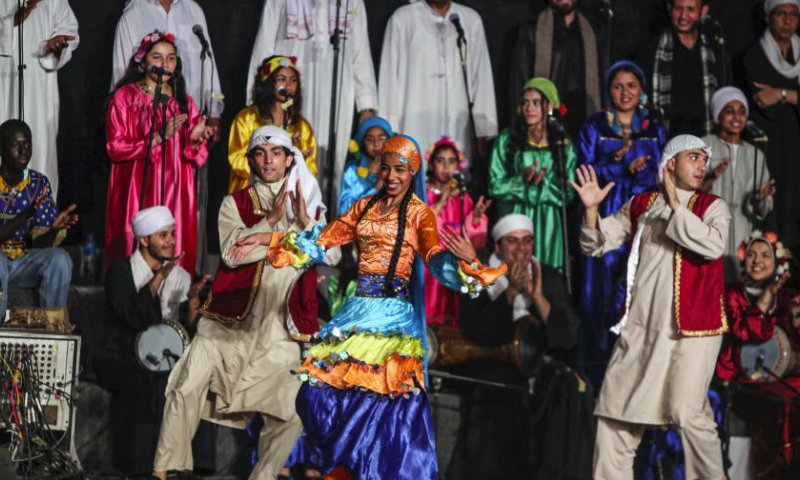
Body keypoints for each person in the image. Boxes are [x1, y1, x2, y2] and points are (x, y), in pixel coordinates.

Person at [262, 135, 506, 480]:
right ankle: (347, 465)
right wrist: (284, 238)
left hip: (392, 317)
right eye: (386, 167)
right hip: (357, 310)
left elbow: (435, 261)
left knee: (379, 405)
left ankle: (366, 471)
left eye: (400, 170)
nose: (391, 175)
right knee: (314, 394)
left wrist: (469, 263)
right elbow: (327, 237)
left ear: (412, 172)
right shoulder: (364, 206)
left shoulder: (419, 214)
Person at [152, 126, 325, 480]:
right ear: (251, 161)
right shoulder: (235, 203)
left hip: (278, 327)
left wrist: (298, 228)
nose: (268, 160)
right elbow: (232, 255)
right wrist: (273, 226)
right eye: (261, 154)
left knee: (290, 415)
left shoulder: (307, 211)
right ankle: (164, 471)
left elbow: (325, 252)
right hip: (227, 322)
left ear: (289, 159)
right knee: (185, 387)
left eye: (276, 153)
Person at [573, 134, 731, 480]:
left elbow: (711, 246)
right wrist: (590, 211)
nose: (702, 165)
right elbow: (597, 243)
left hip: (693, 330)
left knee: (686, 412)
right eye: (694, 158)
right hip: (643, 328)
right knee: (614, 417)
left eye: (704, 159)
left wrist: (676, 205)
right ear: (671, 163)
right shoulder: (641, 204)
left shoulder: (712, 207)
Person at [451, 213, 587, 480]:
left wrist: (537, 297)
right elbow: (479, 334)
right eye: (512, 241)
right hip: (495, 377)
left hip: (542, 376)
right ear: (498, 247)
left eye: (527, 241)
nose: (521, 248)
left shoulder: (547, 277)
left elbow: (568, 336)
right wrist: (511, 292)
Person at [110, 0, 225, 275]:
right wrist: (158, 137)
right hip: (139, 182)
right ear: (142, 61)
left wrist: (197, 138)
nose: (164, 64)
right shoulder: (126, 97)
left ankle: (176, 291)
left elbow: (194, 155)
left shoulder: (183, 103)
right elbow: (115, 146)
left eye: (171, 58)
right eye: (157, 57)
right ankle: (134, 287)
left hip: (176, 185)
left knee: (174, 235)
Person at [94, 206, 209, 478]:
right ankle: (141, 468)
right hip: (119, 354)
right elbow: (130, 316)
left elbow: (183, 331)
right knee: (148, 378)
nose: (171, 240)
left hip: (163, 355)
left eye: (172, 234)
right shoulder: (121, 272)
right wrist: (158, 278)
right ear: (144, 240)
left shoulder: (180, 277)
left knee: (194, 375)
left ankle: (188, 465)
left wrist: (193, 308)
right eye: (163, 235)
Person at [577, 60, 665, 382]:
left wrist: (643, 171)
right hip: (607, 209)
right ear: (608, 90)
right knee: (598, 290)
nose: (625, 92)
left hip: (643, 215)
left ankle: (636, 368)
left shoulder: (653, 127)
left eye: (632, 85)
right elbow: (583, 171)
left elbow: (664, 172)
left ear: (641, 90)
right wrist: (618, 167)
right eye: (618, 85)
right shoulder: (595, 126)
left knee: (638, 287)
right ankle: (596, 368)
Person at [247, 0, 379, 199]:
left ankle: (323, 221)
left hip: (337, 87)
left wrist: (366, 105)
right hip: (291, 88)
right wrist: (255, 98)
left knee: (331, 165)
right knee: (289, 154)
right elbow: (263, 46)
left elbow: (360, 52)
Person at [716, 231, 800, 477]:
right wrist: (765, 297)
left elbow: (787, 346)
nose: (757, 260)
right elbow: (750, 333)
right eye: (751, 255)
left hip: (773, 376)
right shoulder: (731, 294)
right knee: (785, 403)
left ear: (777, 261)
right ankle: (779, 470)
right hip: (740, 378)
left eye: (765, 255)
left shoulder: (785, 297)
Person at [379, 0, 498, 163]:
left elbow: (481, 77)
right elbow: (389, 75)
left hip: (458, 124)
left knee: (455, 179)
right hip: (414, 122)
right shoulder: (403, 18)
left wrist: (482, 128)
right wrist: (389, 127)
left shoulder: (470, 20)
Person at [489, 77, 576, 273]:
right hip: (516, 217)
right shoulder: (506, 140)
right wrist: (522, 179)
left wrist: (543, 184)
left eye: (536, 102)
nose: (529, 108)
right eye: (525, 102)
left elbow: (569, 192)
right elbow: (495, 185)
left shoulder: (563, 145)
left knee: (547, 278)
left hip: (549, 224)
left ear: (549, 106)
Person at [0, 0, 79, 200]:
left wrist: (54, 46)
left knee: (40, 144)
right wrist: (11, 22)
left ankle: (40, 219)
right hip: (3, 78)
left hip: (39, 83)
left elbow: (68, 31)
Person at [0, 119, 77, 318]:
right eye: (15, 145)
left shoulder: (38, 183)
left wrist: (53, 229)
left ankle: (52, 328)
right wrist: (24, 216)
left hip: (23, 261)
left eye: (27, 144)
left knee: (60, 259)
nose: (23, 150)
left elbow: (40, 243)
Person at [702, 87, 775, 280]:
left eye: (742, 111)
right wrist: (710, 178)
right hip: (710, 229)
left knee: (736, 288)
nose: (737, 117)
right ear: (717, 117)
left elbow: (762, 210)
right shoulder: (703, 146)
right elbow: (686, 195)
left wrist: (761, 198)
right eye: (729, 110)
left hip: (743, 230)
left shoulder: (755, 154)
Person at [743, 0, 800, 248]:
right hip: (772, 146)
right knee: (775, 209)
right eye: (781, 14)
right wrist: (793, 96)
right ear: (768, 16)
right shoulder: (755, 55)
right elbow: (764, 103)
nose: (787, 21)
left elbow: (775, 98)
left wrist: (781, 93)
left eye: (793, 14)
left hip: (797, 143)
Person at [509, 0, 605, 138]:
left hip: (584, 129)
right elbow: (519, 85)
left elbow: (603, 82)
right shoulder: (532, 30)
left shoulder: (593, 31)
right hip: (544, 131)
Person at [636, 0, 728, 137]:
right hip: (665, 140)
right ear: (669, 9)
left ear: (703, 11)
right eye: (678, 8)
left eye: (690, 9)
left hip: (706, 139)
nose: (683, 16)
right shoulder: (650, 52)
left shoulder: (716, 52)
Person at [229, 55, 318, 194]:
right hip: (251, 193)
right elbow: (236, 158)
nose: (288, 85)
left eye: (293, 80)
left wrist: (299, 159)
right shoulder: (247, 118)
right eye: (282, 79)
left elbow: (311, 168)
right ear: (269, 82)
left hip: (286, 195)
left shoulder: (302, 126)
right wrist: (269, 168)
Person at [424, 136, 490, 326]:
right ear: (432, 163)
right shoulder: (423, 193)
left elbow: (473, 240)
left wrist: (475, 218)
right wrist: (441, 203)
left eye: (451, 162)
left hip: (453, 262)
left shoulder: (462, 197)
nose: (446, 167)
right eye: (440, 161)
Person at [337, 115, 393, 215]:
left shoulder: (396, 170)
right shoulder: (352, 170)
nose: (376, 144)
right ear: (363, 142)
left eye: (382, 138)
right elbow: (344, 209)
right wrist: (376, 188)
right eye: (370, 139)